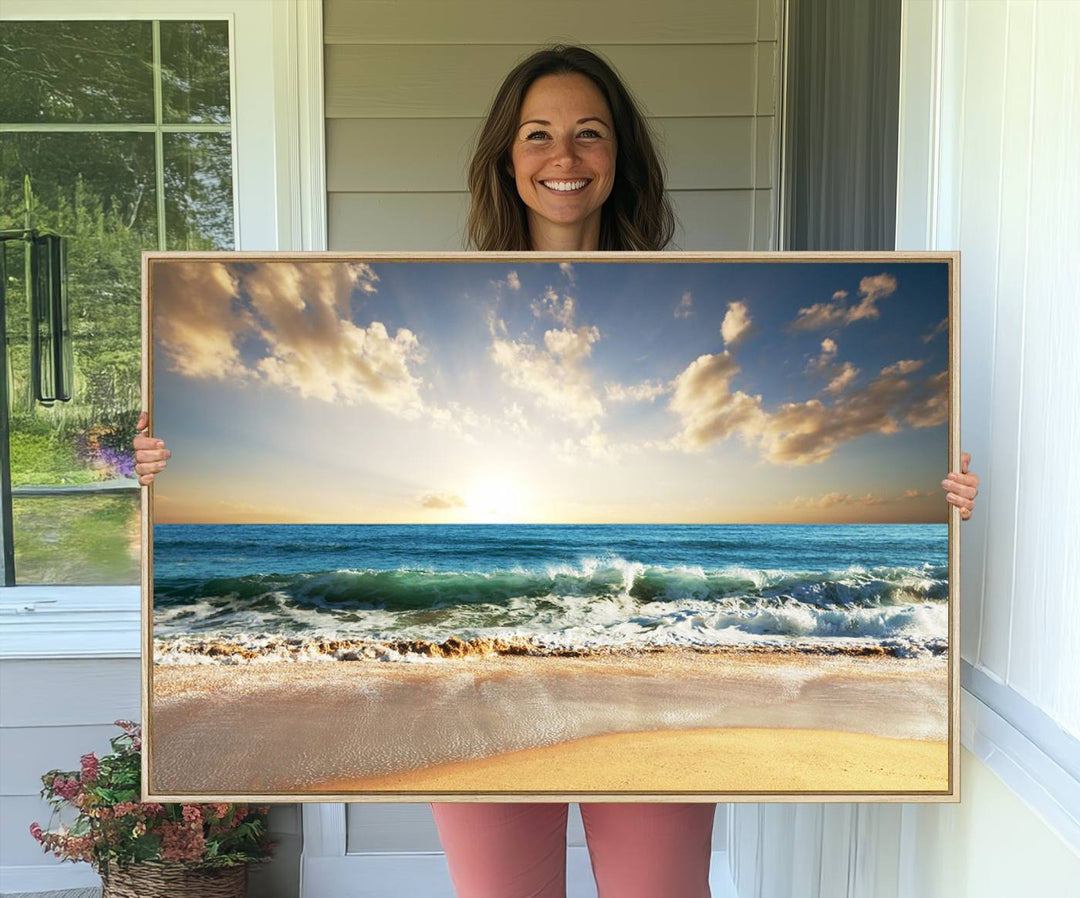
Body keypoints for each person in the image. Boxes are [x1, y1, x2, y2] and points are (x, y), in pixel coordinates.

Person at [134, 45, 980, 898]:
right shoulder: (451, 308)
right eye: (538, 135)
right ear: (508, 158)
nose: (564, 157)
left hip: (659, 674)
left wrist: (939, 504)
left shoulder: (686, 303)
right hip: (474, 686)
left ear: (620, 158)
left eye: (589, 134)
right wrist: (169, 467)